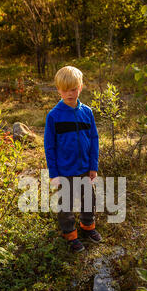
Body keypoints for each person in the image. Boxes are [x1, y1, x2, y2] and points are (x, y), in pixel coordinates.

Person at [44, 65, 102, 253]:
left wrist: (93, 166)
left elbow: (94, 139)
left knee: (88, 199)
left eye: (74, 89)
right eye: (65, 90)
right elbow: (49, 147)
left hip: (85, 167)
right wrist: (54, 174)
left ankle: (88, 227)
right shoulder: (54, 116)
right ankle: (70, 234)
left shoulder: (87, 112)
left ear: (81, 87)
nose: (70, 93)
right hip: (64, 170)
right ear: (58, 90)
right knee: (65, 204)